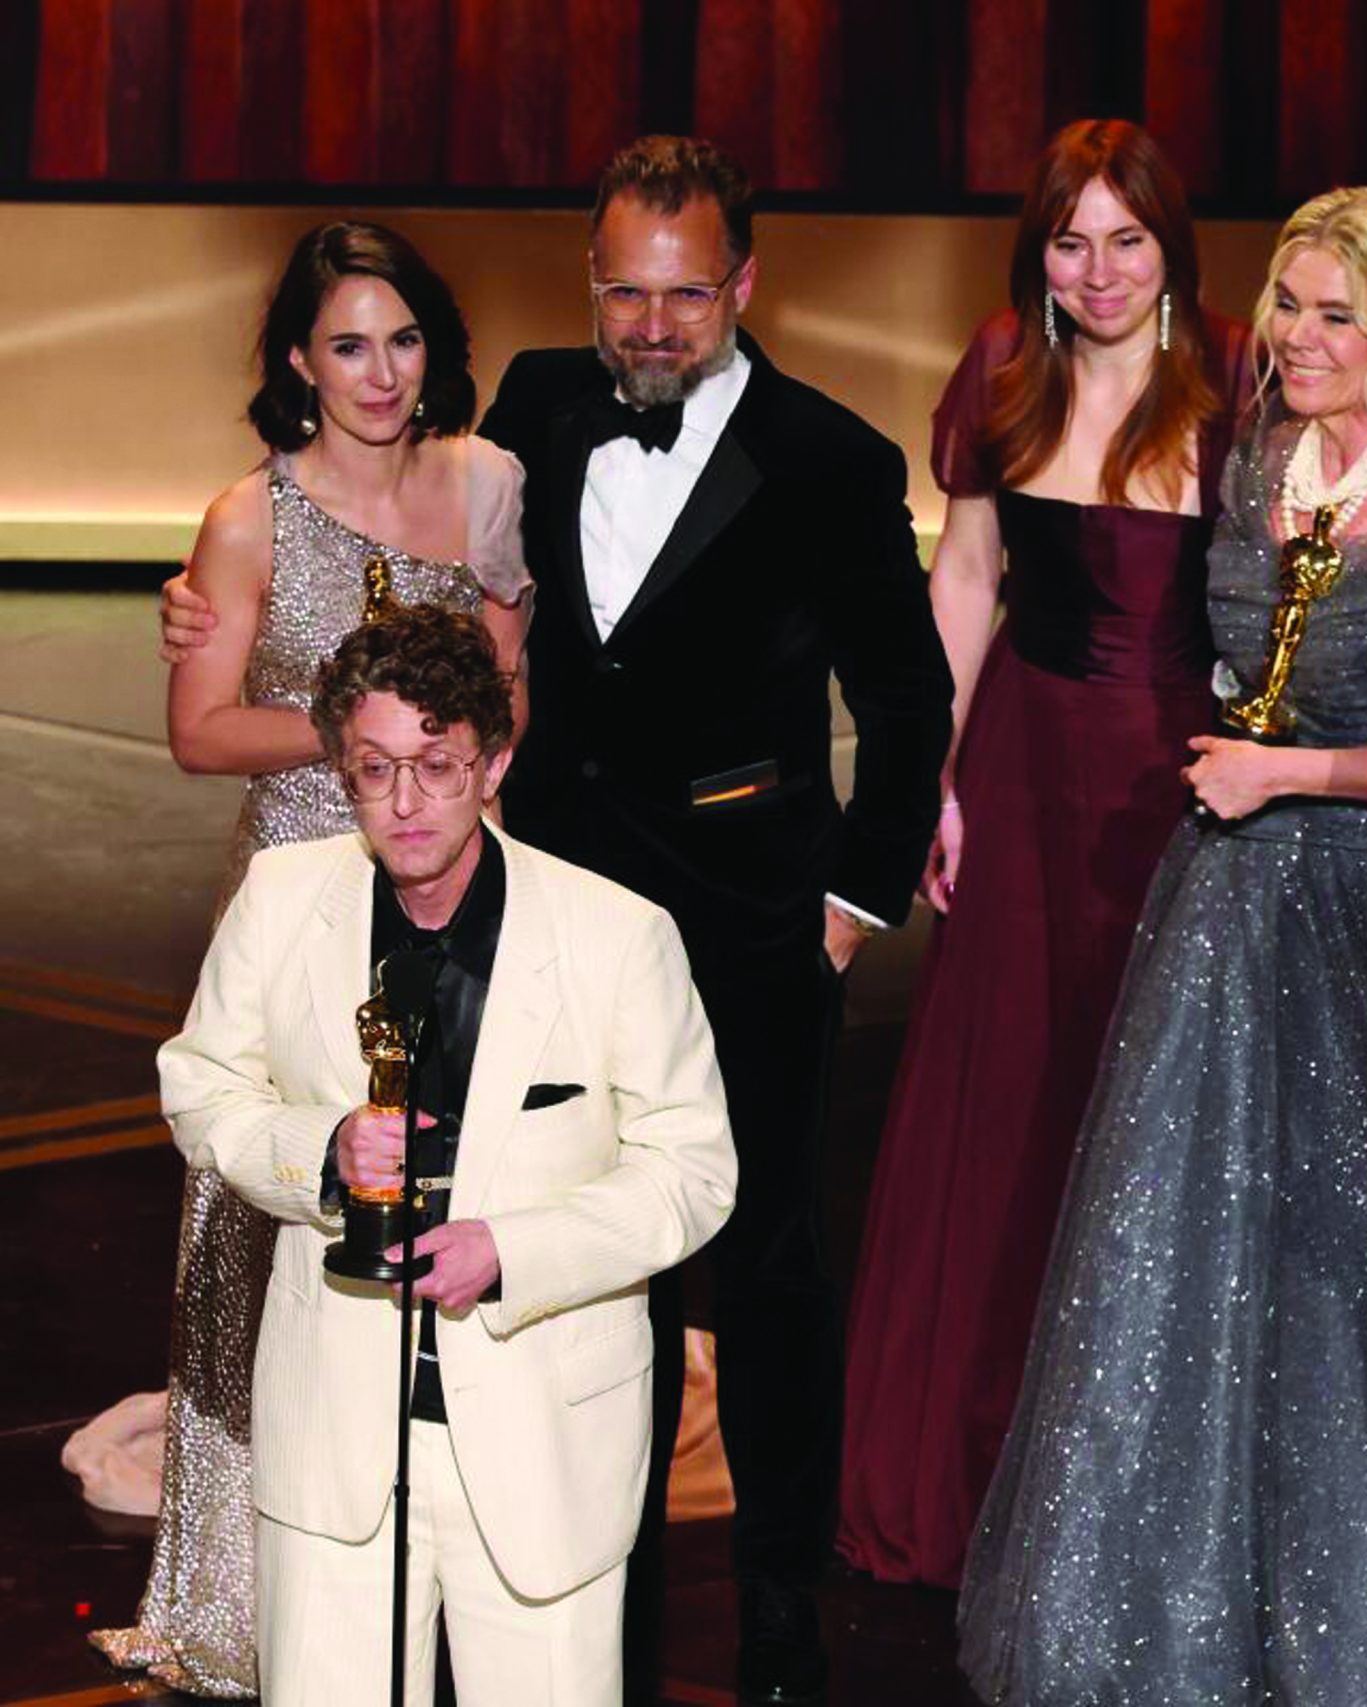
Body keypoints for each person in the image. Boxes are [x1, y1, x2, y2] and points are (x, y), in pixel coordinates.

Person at [958, 187, 1367, 1703]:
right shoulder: (1253, 458)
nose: (1297, 336)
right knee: (1177, 1248)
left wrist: (1288, 773)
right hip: (1221, 903)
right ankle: (1168, 1609)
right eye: (1287, 303)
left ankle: (1364, 1618)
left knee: (1353, 1257)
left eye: (1337, 314)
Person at [466, 134, 952, 1705]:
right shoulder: (537, 403)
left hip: (752, 922)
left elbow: (908, 699)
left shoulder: (831, 458)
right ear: (588, 279)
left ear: (744, 281)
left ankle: (779, 1605)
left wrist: (849, 906)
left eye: (685, 294)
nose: (654, 326)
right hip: (552, 904)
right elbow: (455, 577)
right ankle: (573, 1588)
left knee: (767, 1266)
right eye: (626, 292)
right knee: (570, 1246)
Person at [94, 220, 528, 1699]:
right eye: (348, 343)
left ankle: (433, 1565)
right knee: (267, 1217)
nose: (381, 372)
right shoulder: (248, 517)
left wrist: (453, 767)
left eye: (403, 340)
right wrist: (366, 737)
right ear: (299, 358)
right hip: (300, 888)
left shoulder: (483, 486)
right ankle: (238, 1596)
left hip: (453, 879)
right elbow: (199, 727)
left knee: (443, 1190)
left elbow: (513, 697)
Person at [157, 604, 735, 1706]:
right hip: (333, 1442)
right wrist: (319, 1150)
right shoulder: (282, 899)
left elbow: (692, 1170)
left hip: (545, 1450)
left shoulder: (618, 934)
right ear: (342, 769)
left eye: (437, 766)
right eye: (375, 769)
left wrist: (511, 1250)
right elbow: (201, 1084)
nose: (406, 802)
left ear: (494, 762)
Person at [836, 117, 1254, 1592]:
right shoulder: (1008, 361)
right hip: (1022, 766)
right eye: (1070, 241)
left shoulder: (1240, 373)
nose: (1098, 270)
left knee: (1143, 1109)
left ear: (1170, 247)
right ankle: (972, 1469)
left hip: (1179, 777)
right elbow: (965, 577)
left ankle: (1141, 1490)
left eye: (1126, 240)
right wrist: (932, 782)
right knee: (1010, 1101)